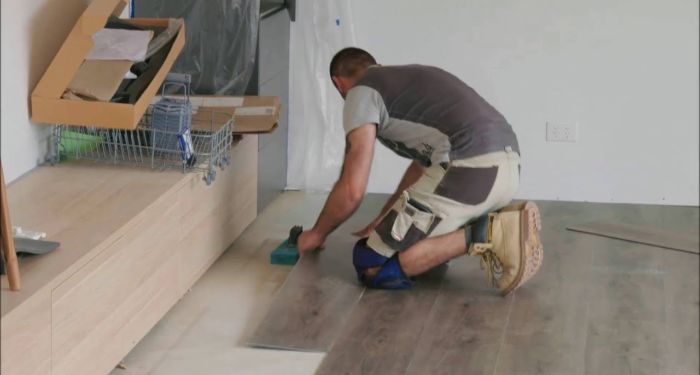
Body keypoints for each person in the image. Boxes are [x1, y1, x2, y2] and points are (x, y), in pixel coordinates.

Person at [297, 47, 543, 295]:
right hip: (504, 171)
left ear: (338, 84)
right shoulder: (408, 81)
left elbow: (352, 189)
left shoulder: (360, 92)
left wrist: (317, 234)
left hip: (467, 171)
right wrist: (382, 220)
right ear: (377, 65)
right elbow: (422, 168)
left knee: (370, 262)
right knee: (410, 252)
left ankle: (489, 232)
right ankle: (493, 225)